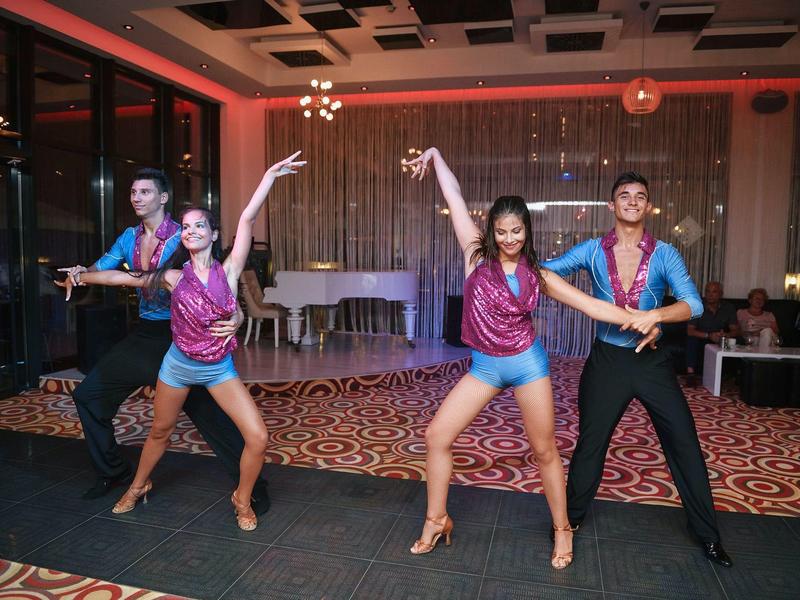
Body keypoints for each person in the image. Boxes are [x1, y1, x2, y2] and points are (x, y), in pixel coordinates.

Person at [402, 149, 658, 570]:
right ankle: (436, 519)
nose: (508, 239)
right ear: (491, 231)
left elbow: (592, 306)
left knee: (543, 451)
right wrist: (434, 156)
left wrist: (642, 318)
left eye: (516, 231)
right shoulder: (475, 257)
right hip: (484, 367)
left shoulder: (539, 275)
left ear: (527, 230)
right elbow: (454, 197)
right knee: (436, 437)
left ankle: (562, 529)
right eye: (501, 231)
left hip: (527, 365)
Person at [57, 151, 306, 530]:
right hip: (175, 358)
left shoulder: (229, 267)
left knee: (251, 433)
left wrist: (269, 176)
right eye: (187, 227)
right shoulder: (171, 274)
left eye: (199, 227)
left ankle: (245, 495)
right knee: (159, 430)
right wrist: (81, 276)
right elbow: (119, 277)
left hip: (217, 367)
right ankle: (136, 486)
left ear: (213, 234)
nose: (190, 231)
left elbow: (247, 218)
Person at [542, 171, 733, 567]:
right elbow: (546, 272)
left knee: (684, 443)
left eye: (640, 196)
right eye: (624, 196)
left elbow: (693, 304)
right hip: (607, 362)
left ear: (648, 206)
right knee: (590, 446)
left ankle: (708, 536)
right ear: (612, 206)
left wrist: (657, 316)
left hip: (652, 363)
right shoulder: (592, 250)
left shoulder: (665, 253)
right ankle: (570, 521)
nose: (632, 201)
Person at [685, 281, 739, 385]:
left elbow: (735, 330)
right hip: (702, 337)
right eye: (707, 291)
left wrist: (726, 335)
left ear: (721, 294)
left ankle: (734, 375)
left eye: (714, 292)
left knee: (738, 340)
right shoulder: (697, 305)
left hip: (721, 338)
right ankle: (690, 374)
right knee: (691, 339)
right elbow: (690, 330)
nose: (710, 294)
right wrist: (709, 336)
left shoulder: (728, 307)